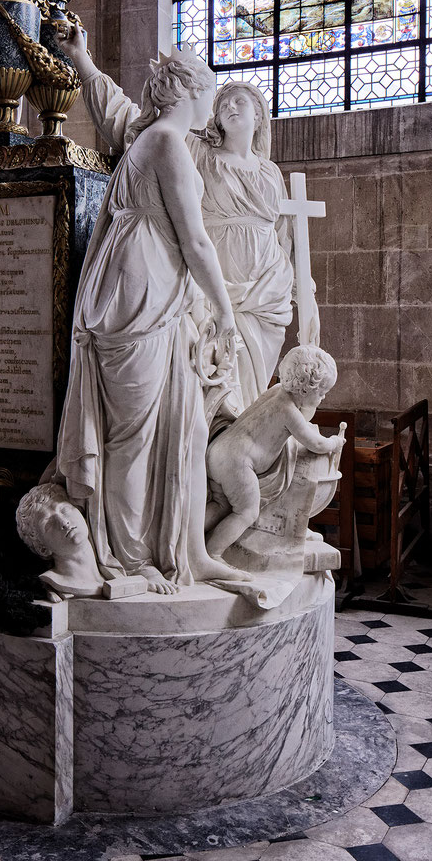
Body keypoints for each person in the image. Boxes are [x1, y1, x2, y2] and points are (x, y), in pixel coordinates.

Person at [50, 46, 246, 596]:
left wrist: (85, 61)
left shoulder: (153, 140)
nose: (213, 102)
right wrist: (226, 312)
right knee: (133, 437)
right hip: (140, 301)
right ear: (187, 92)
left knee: (179, 427)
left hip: (149, 293)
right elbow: (196, 241)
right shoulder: (164, 143)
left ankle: (187, 552)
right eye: (209, 91)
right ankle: (131, 558)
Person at [58, 29, 302, 413]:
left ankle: (240, 459)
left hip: (267, 292)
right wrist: (84, 63)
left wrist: (295, 279)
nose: (230, 106)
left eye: (241, 100)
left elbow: (281, 231)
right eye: (223, 103)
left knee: (251, 395)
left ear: (260, 115)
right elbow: (125, 119)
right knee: (218, 393)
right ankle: (216, 463)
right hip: (216, 281)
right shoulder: (192, 148)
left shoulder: (270, 172)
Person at [205, 345, 342, 560]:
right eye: (322, 393)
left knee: (221, 504)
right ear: (305, 390)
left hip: (218, 450)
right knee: (246, 512)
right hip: (238, 463)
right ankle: (213, 553)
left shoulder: (276, 391)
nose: (323, 398)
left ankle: (186, 538)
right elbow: (315, 443)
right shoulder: (289, 412)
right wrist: (333, 442)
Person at [15, 482, 105, 599]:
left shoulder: (114, 571)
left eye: (64, 510)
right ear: (42, 548)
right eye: (48, 523)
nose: (63, 522)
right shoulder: (53, 582)